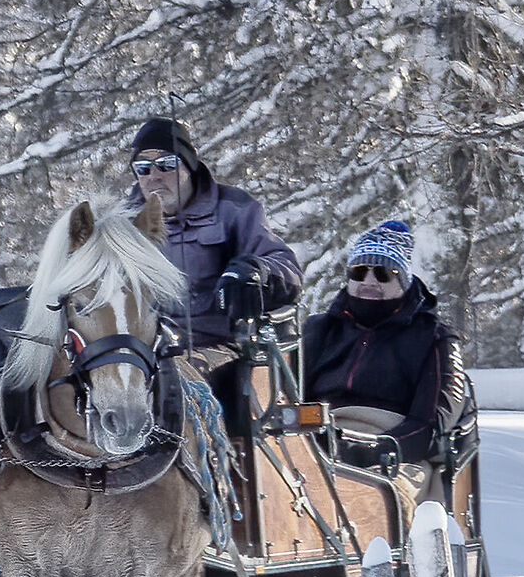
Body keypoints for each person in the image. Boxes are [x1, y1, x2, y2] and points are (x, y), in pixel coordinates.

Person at [122, 117, 302, 432]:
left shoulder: (234, 210)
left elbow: (285, 267)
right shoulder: (123, 224)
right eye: (143, 168)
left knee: (179, 377)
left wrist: (255, 273)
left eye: (166, 164)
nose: (154, 176)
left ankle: (219, 454)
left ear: (189, 165)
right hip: (146, 350)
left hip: (222, 347)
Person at [300, 219, 467, 500]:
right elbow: (287, 397)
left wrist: (377, 449)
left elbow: (431, 422)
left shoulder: (434, 338)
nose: (369, 281)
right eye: (358, 272)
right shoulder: (317, 330)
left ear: (403, 281)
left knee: (368, 500)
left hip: (395, 454)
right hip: (318, 443)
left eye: (383, 273)